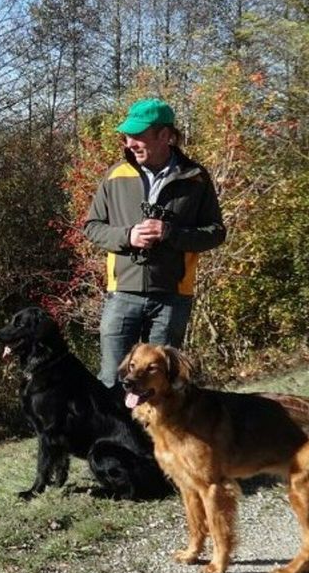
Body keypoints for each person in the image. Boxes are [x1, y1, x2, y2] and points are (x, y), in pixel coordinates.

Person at [83, 98, 226, 389]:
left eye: (137, 135)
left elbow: (215, 232)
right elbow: (92, 227)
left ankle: (156, 437)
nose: (129, 142)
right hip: (121, 294)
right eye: (126, 135)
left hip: (172, 298)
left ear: (165, 136)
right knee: (112, 379)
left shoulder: (196, 178)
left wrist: (171, 233)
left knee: (161, 386)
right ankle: (115, 436)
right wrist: (128, 236)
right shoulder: (114, 176)